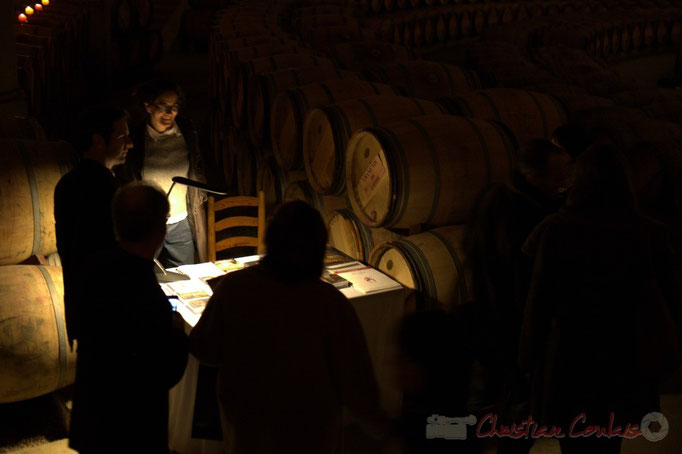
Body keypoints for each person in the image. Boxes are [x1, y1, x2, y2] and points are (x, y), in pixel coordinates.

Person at [189, 201, 388, 454]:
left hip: (248, 429)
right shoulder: (331, 303)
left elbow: (203, 348)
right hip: (312, 434)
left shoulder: (233, 288)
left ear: (271, 241)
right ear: (317, 249)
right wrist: (386, 430)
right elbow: (357, 385)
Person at [519, 144, 681, 453]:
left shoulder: (555, 231)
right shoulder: (647, 232)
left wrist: (527, 359)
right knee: (609, 443)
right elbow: (672, 301)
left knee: (575, 445)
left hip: (570, 361)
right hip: (624, 360)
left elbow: (538, 302)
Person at [463, 139, 573, 453]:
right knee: (520, 416)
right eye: (558, 174)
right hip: (514, 330)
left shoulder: (492, 196)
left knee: (506, 411)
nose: (564, 183)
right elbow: (528, 284)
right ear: (533, 175)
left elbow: (470, 249)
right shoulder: (532, 216)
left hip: (491, 321)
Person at [69, 182, 189, 454]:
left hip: (94, 420)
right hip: (132, 432)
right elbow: (166, 372)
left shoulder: (92, 267)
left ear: (116, 224)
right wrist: (179, 333)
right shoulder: (146, 294)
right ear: (161, 231)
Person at [54, 105, 133, 348]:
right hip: (108, 317)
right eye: (122, 137)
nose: (130, 144)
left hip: (85, 313)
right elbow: (108, 257)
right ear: (98, 140)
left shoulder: (68, 182)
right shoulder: (103, 189)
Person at [115, 78, 207, 267]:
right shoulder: (137, 138)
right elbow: (127, 178)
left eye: (174, 106)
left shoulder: (187, 132)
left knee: (186, 277)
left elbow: (197, 169)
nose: (169, 113)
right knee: (143, 274)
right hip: (147, 223)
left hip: (181, 221)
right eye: (163, 106)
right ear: (148, 107)